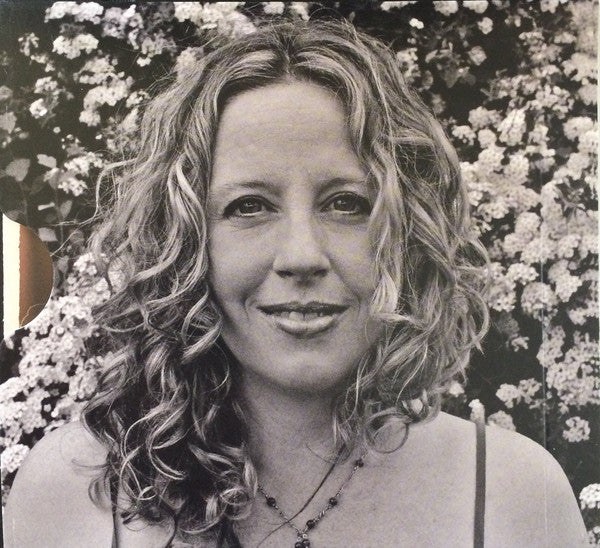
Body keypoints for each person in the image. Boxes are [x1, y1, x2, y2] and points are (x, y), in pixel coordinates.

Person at [4, 20, 586, 548]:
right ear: (183, 242)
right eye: (250, 206)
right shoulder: (76, 495)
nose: (302, 256)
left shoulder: (512, 495)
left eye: (347, 204)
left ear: (410, 234)